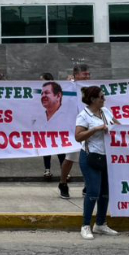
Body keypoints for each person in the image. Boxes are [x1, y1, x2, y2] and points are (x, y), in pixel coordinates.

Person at [74, 85, 119, 240]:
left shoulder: (105, 112)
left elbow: (118, 126)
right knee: (93, 191)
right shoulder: (84, 115)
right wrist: (96, 129)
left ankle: (100, 224)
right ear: (93, 99)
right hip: (90, 157)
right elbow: (78, 136)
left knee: (105, 193)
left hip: (106, 156)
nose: (104, 99)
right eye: (101, 97)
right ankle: (85, 225)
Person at [58, 63, 92, 198]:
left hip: (89, 127)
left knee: (89, 158)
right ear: (76, 75)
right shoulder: (69, 86)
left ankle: (87, 184)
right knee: (70, 158)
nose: (88, 77)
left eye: (89, 74)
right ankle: (63, 183)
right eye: (85, 74)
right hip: (73, 128)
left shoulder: (92, 88)